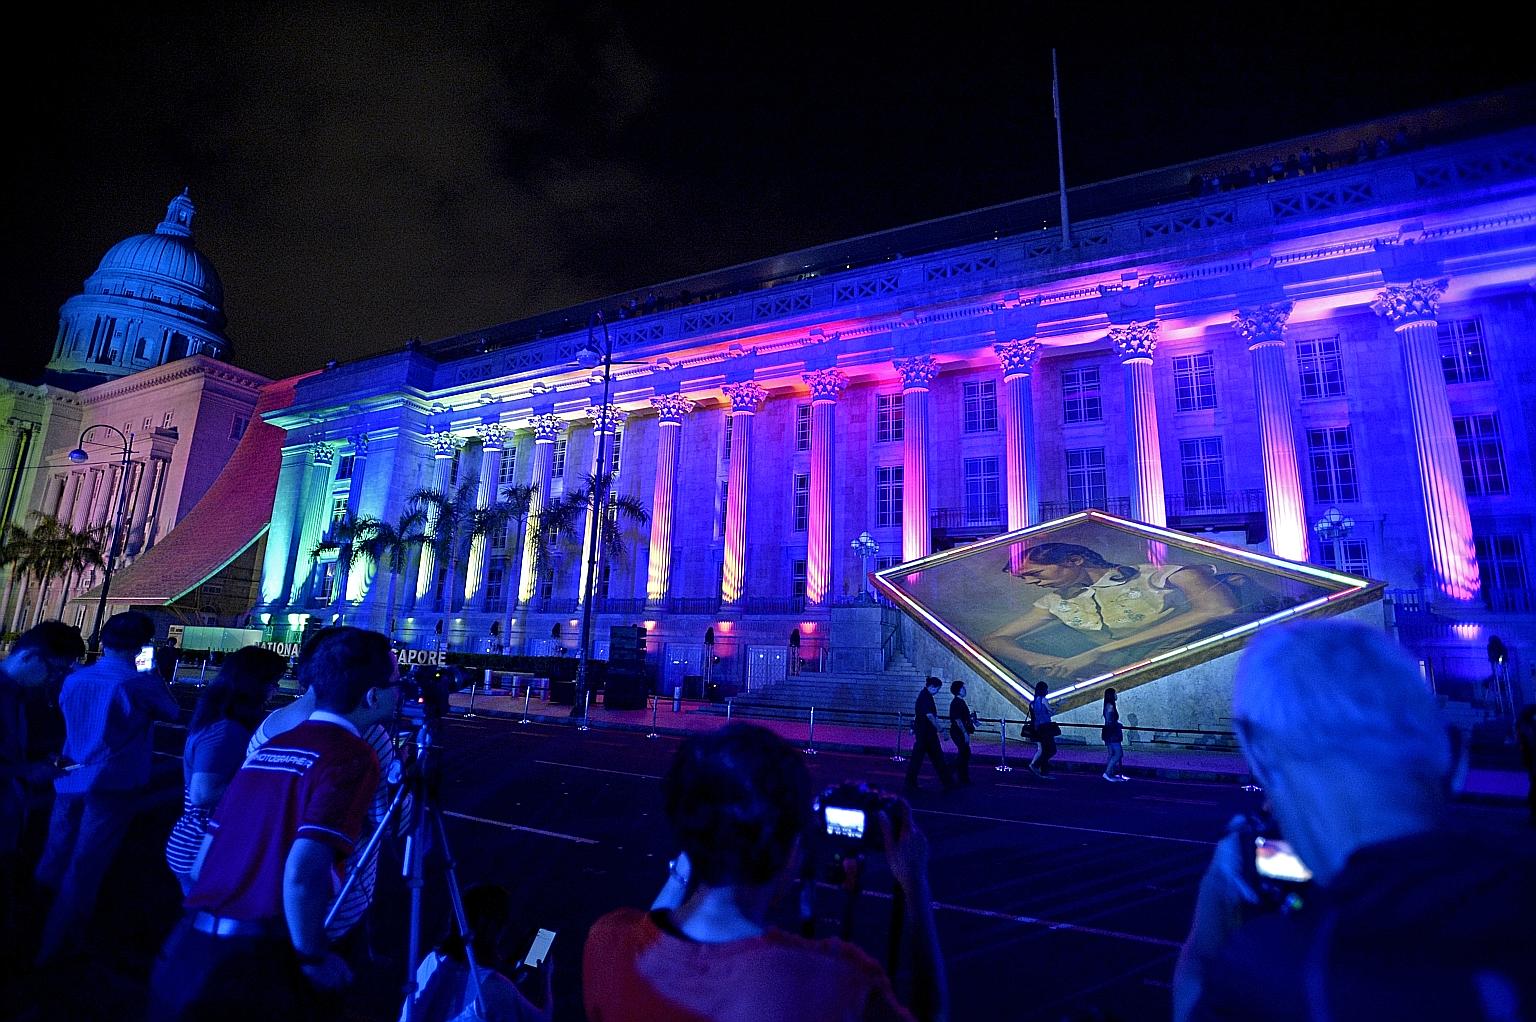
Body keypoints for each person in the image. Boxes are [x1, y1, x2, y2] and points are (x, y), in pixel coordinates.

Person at [1172, 620, 1536, 1021]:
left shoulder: (1279, 970)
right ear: (1455, 757)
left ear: (1258, 755)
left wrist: (1215, 899)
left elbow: (1193, 997)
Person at [583, 722, 948, 1021]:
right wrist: (914, 882)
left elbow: (656, 923)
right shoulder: (834, 984)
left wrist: (702, 838)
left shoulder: (607, 941)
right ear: (790, 847)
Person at [147, 625, 400, 1021]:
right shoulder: (352, 753)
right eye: (395, 683)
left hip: (191, 946)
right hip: (259, 957)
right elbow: (304, 871)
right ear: (372, 694)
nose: (401, 693)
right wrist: (312, 956)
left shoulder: (272, 741)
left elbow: (203, 862)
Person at [34, 610, 179, 964]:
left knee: (56, 852)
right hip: (114, 780)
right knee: (86, 864)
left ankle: (32, 918)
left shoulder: (77, 679)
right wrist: (153, 671)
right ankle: (58, 944)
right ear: (143, 644)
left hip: (70, 774)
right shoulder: (137, 683)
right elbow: (173, 712)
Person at [247, 626, 404, 947]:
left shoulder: (269, 728)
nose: (400, 690)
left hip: (256, 899)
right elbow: (389, 822)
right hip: (329, 911)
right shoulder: (364, 741)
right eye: (395, 681)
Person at [982, 543, 1242, 685]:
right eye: (1024, 578)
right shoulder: (1053, 602)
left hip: (1180, 669)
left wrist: (1098, 652)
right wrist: (1047, 661)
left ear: (1074, 561)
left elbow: (1219, 609)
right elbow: (993, 640)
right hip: (1107, 679)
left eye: (1035, 574)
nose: (1031, 583)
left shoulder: (1163, 576)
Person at [164, 646, 287, 894]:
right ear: (253, 684)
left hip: (195, 842)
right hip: (203, 842)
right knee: (208, 923)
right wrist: (267, 785)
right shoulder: (226, 730)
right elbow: (203, 792)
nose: (275, 690)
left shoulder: (215, 721)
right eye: (272, 682)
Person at [0, 621, 85, 968]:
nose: (55, 680)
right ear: (32, 657)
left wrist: (35, 762)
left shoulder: (18, 697)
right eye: (55, 670)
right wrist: (25, 771)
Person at [399, 881, 552, 1022]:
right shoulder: (496, 986)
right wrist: (547, 978)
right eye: (503, 925)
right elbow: (543, 1018)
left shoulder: (433, 960)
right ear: (492, 928)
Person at [905, 676, 955, 792]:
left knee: (921, 760)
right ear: (932, 687)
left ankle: (911, 782)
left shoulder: (924, 696)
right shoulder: (926, 698)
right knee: (936, 759)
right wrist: (941, 730)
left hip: (924, 734)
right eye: (937, 689)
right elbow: (930, 716)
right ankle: (947, 782)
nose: (937, 691)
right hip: (926, 735)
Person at [947, 680, 978, 786]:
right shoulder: (956, 703)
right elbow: (957, 720)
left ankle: (962, 777)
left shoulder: (961, 702)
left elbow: (963, 717)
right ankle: (950, 771)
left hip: (960, 731)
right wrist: (964, 733)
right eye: (963, 688)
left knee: (964, 753)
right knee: (964, 753)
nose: (965, 690)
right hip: (958, 732)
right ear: (958, 690)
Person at [1028, 681, 1058, 780]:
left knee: (1045, 749)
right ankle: (1037, 766)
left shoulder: (1033, 702)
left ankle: (1041, 768)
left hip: (1038, 728)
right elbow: (1050, 711)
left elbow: (1039, 715)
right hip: (1045, 728)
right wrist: (1058, 705)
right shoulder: (1043, 700)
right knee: (1051, 749)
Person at [1100, 687, 1126, 782]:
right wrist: (1118, 724)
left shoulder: (1108, 705)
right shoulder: (1110, 706)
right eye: (1115, 694)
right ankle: (1107, 773)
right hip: (1112, 732)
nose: (1116, 695)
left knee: (1111, 753)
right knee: (1118, 753)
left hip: (1109, 732)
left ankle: (1110, 773)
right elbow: (1109, 721)